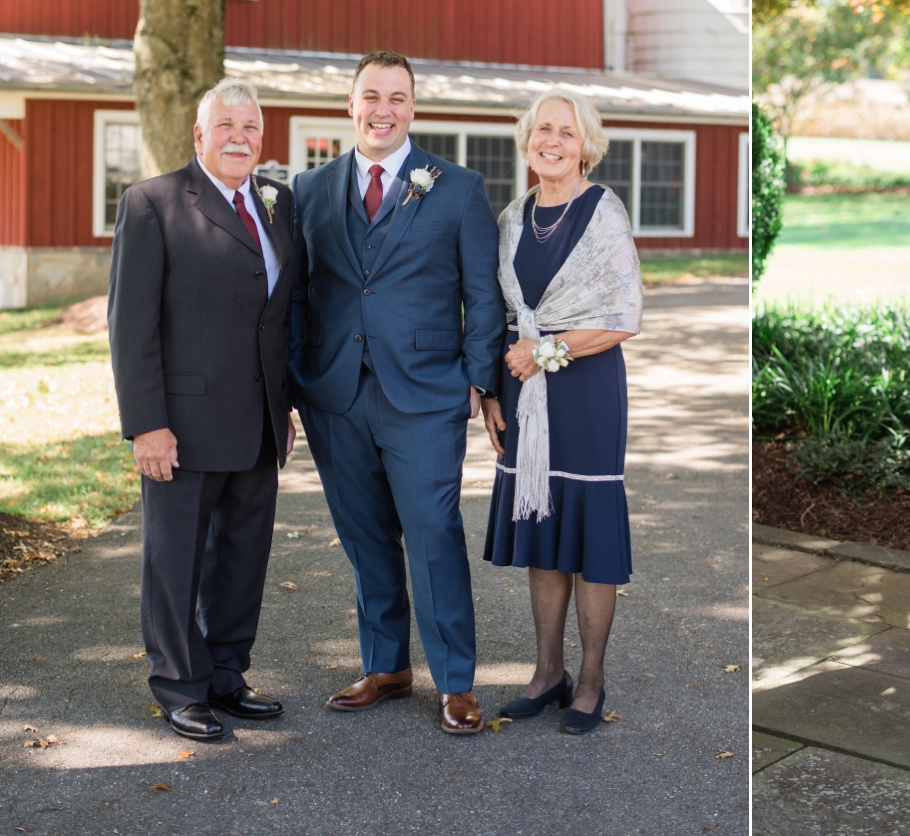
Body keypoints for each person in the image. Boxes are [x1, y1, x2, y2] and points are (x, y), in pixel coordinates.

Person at [289, 50, 505, 734]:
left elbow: (482, 293)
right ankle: (386, 665)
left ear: (414, 107)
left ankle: (455, 679)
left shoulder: (457, 187)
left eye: (398, 97)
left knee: (433, 531)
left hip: (426, 394)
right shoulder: (311, 188)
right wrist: (298, 378)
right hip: (336, 394)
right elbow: (299, 292)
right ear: (350, 105)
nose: (383, 108)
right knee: (364, 534)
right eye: (371, 95)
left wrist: (477, 377)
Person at [108, 78, 295, 742]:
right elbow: (132, 326)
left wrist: (287, 406)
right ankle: (180, 686)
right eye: (225, 124)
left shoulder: (278, 205)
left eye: (250, 124)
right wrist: (146, 423)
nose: (239, 135)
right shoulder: (153, 204)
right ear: (198, 135)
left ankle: (225, 675)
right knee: (175, 561)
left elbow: (278, 316)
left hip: (258, 421)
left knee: (242, 560)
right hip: (180, 425)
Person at [482, 89, 642, 735]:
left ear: (586, 145)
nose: (552, 140)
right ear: (527, 139)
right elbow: (495, 313)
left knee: (588, 539)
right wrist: (492, 390)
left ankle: (593, 677)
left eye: (566, 132)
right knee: (544, 530)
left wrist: (543, 351)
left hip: (586, 388)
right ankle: (548, 673)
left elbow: (623, 316)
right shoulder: (511, 219)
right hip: (521, 393)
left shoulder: (603, 212)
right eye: (543, 129)